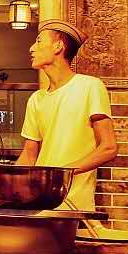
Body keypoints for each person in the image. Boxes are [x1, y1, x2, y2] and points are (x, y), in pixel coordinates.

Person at [15, 19, 117, 213]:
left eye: (38, 41)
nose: (31, 48)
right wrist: (8, 183)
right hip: (39, 203)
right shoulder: (36, 99)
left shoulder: (90, 87)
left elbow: (108, 148)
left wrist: (62, 174)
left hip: (73, 206)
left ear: (58, 46)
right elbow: (29, 155)